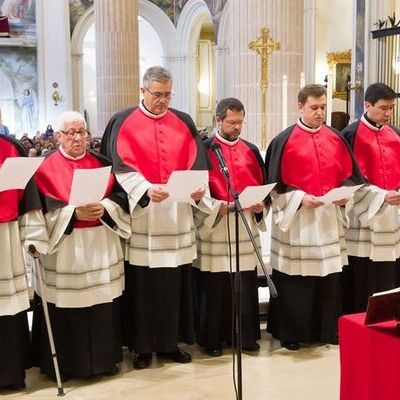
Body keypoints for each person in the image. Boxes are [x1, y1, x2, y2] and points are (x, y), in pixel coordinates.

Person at [101, 66, 211, 369]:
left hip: (176, 214)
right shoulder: (122, 121)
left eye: (167, 94)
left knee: (175, 282)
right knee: (144, 285)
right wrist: (146, 189)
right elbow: (116, 167)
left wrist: (198, 191)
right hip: (144, 215)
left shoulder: (183, 121)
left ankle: (170, 342)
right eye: (157, 94)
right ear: (143, 91)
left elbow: (196, 163)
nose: (163, 101)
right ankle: (142, 346)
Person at [32, 111, 130, 380]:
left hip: (100, 245)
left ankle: (104, 361)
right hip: (66, 249)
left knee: (101, 304)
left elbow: (121, 198)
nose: (77, 138)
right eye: (71, 133)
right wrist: (72, 214)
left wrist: (105, 207)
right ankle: (67, 365)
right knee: (67, 307)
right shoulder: (43, 168)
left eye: (82, 132)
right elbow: (37, 211)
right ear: (59, 136)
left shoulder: (102, 163)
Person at [265, 84, 364, 350]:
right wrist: (299, 199)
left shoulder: (336, 137)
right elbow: (273, 187)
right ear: (300, 107)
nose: (320, 113)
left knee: (327, 277)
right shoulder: (283, 140)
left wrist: (346, 195)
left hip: (327, 219)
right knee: (297, 279)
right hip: (298, 222)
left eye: (323, 108)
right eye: (314, 108)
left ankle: (325, 329)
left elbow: (351, 177)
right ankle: (292, 333)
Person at [193, 98, 267, 356]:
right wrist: (215, 206)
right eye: (232, 122)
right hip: (217, 223)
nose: (237, 128)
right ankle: (213, 339)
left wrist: (260, 206)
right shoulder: (203, 149)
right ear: (218, 120)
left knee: (244, 281)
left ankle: (245, 336)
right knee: (216, 283)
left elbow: (262, 184)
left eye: (240, 123)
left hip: (244, 222)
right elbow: (196, 188)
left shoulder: (251, 150)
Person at [341, 82, 400, 313]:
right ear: (367, 105)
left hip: (393, 215)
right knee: (364, 269)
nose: (388, 113)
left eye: (391, 108)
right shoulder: (350, 134)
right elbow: (344, 177)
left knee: (391, 267)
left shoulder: (395, 133)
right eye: (383, 108)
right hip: (363, 216)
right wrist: (379, 196)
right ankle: (359, 317)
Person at [0, 134, 48, 390]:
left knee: (7, 309)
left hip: (4, 238)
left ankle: (9, 374)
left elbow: (29, 198)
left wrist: (34, 238)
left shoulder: (10, 147)